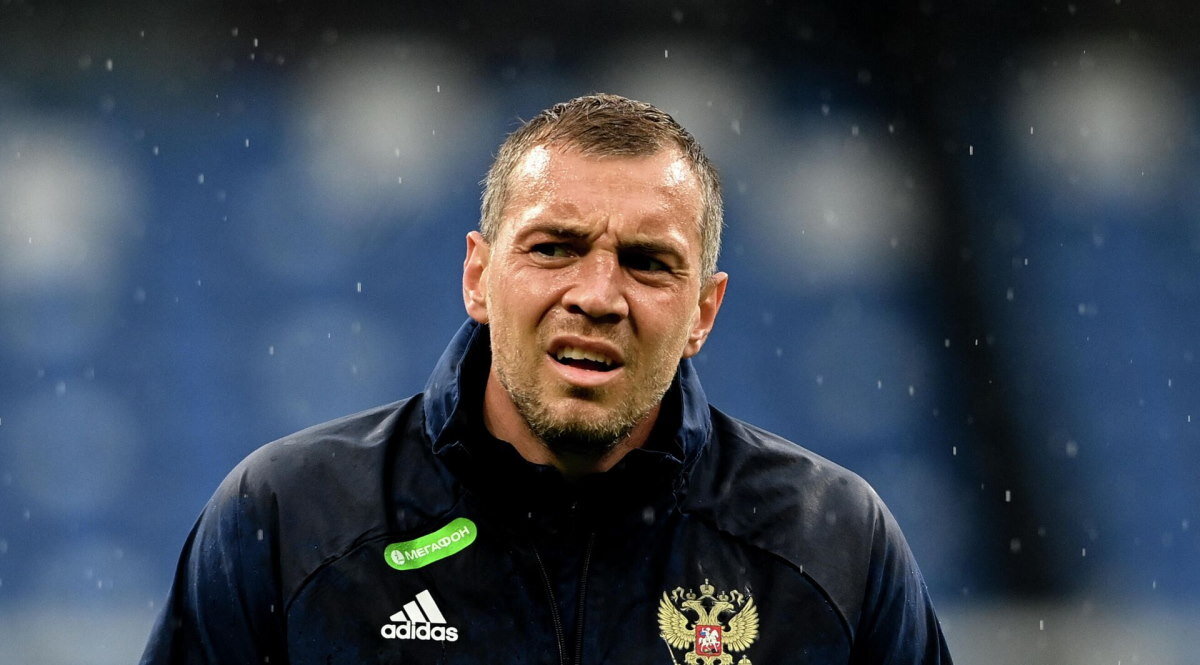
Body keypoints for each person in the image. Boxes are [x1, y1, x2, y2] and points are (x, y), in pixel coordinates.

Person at [141, 93, 952, 664]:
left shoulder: (830, 541)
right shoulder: (291, 517)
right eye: (554, 247)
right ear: (478, 275)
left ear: (703, 312)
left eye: (647, 261)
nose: (597, 295)